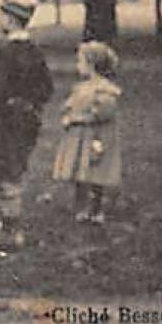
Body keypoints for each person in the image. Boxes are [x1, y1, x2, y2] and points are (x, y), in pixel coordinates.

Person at [0, 0, 54, 247]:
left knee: (3, 172)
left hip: (1, 124)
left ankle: (10, 230)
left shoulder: (4, 54)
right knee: (13, 169)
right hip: (25, 123)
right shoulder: (35, 52)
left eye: (0, 15)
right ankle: (6, 223)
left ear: (9, 19)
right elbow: (46, 89)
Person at [52, 41, 123, 225]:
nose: (78, 66)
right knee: (80, 173)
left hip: (95, 138)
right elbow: (70, 105)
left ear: (91, 64)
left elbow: (102, 114)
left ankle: (96, 209)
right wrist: (67, 112)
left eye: (80, 61)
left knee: (95, 173)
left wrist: (76, 119)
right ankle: (81, 207)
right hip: (80, 137)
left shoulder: (104, 90)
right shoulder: (81, 88)